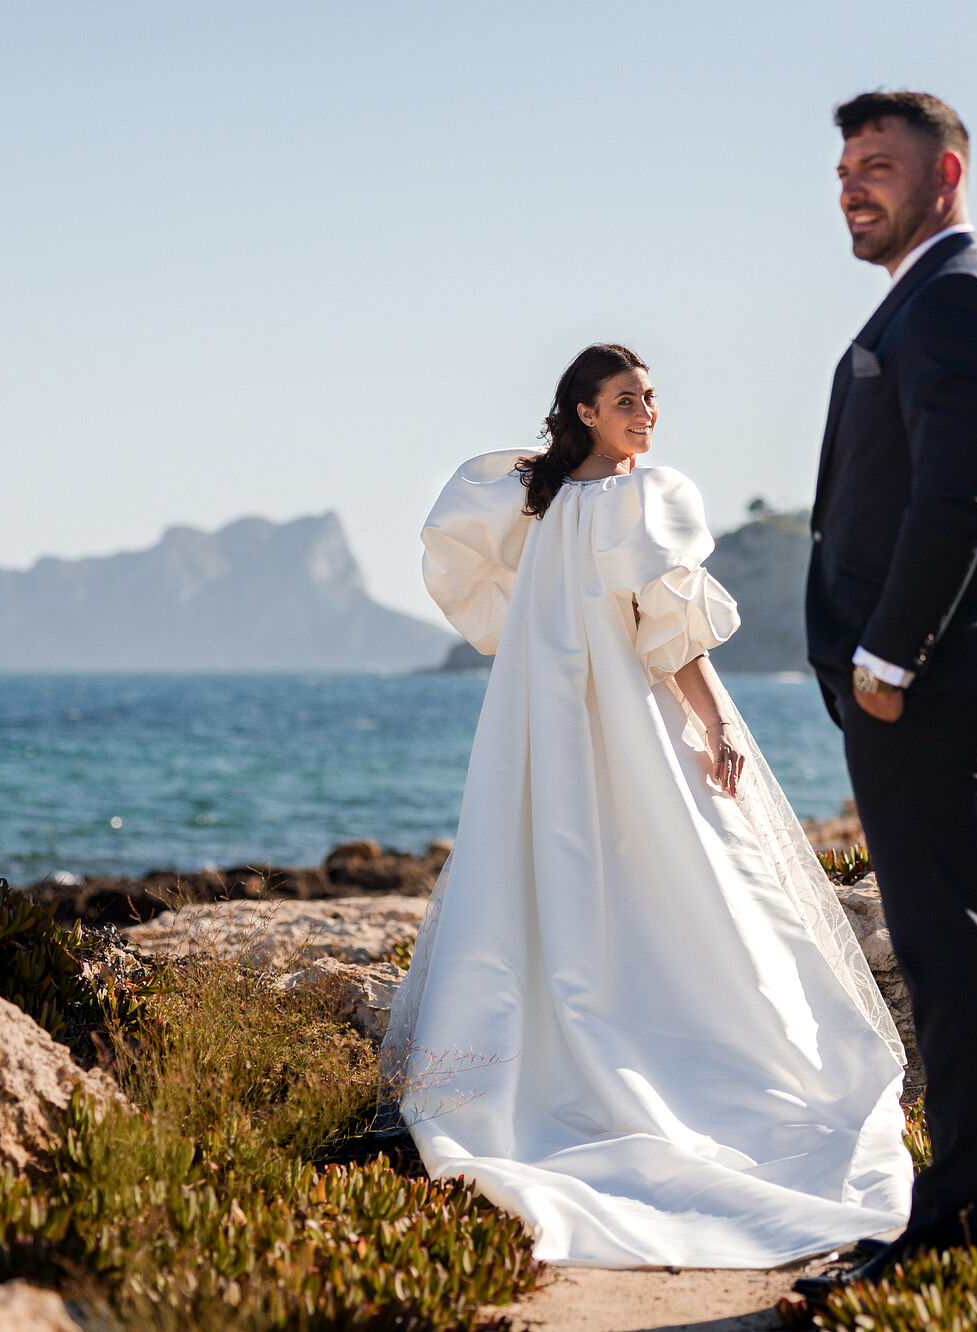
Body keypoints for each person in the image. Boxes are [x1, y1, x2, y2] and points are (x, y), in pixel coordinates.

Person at [379, 343, 915, 1268]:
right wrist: (713, 726)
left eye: (651, 398)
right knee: (676, 873)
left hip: (556, 733)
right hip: (603, 725)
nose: (647, 412)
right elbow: (667, 634)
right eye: (627, 399)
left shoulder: (559, 503)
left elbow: (630, 620)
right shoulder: (601, 499)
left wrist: (711, 725)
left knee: (566, 873)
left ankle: (580, 1049)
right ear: (584, 411)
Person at [793, 91, 977, 1299]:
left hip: (936, 682)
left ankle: (955, 1230)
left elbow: (953, 499)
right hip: (945, 680)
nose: (854, 185)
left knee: (950, 953)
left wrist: (885, 663)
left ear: (944, 172)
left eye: (879, 165)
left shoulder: (953, 296)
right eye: (845, 167)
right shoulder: (935, 293)